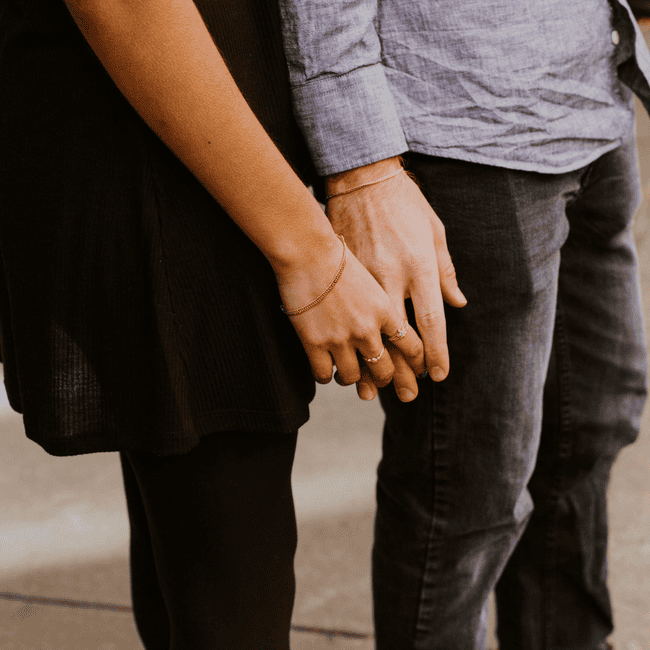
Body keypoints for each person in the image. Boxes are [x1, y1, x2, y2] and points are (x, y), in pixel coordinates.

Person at [0, 0, 435, 647]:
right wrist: (310, 254)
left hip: (191, 146)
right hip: (183, 176)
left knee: (196, 573)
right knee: (229, 610)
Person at [278, 0, 650, 647]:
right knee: (470, 493)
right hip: (461, 127)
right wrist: (361, 168)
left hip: (595, 90)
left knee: (589, 429)